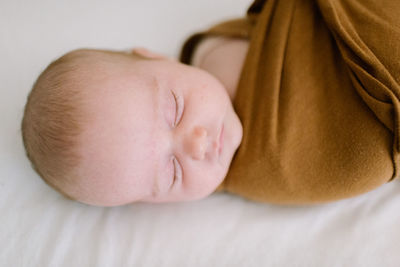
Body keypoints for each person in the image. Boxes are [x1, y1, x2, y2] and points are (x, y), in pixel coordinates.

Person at [21, 0, 400, 207]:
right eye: (171, 173)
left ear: (154, 56)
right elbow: (357, 160)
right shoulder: (270, 166)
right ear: (155, 203)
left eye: (174, 109)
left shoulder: (216, 45)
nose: (197, 144)